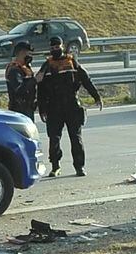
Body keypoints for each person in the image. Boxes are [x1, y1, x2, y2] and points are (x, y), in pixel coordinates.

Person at [36, 36, 102, 176]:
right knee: (54, 138)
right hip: (53, 107)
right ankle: (55, 166)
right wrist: (42, 109)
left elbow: (85, 79)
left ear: (62, 46)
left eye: (57, 46)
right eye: (52, 47)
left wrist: (96, 96)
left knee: (76, 138)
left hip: (72, 105)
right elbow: (40, 89)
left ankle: (79, 167)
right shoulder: (47, 65)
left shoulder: (71, 61)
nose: (55, 49)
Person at [4, 41, 37, 120]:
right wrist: (34, 80)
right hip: (18, 109)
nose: (30, 56)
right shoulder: (14, 69)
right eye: (29, 53)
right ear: (22, 53)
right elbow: (19, 90)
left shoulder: (25, 67)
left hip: (28, 107)